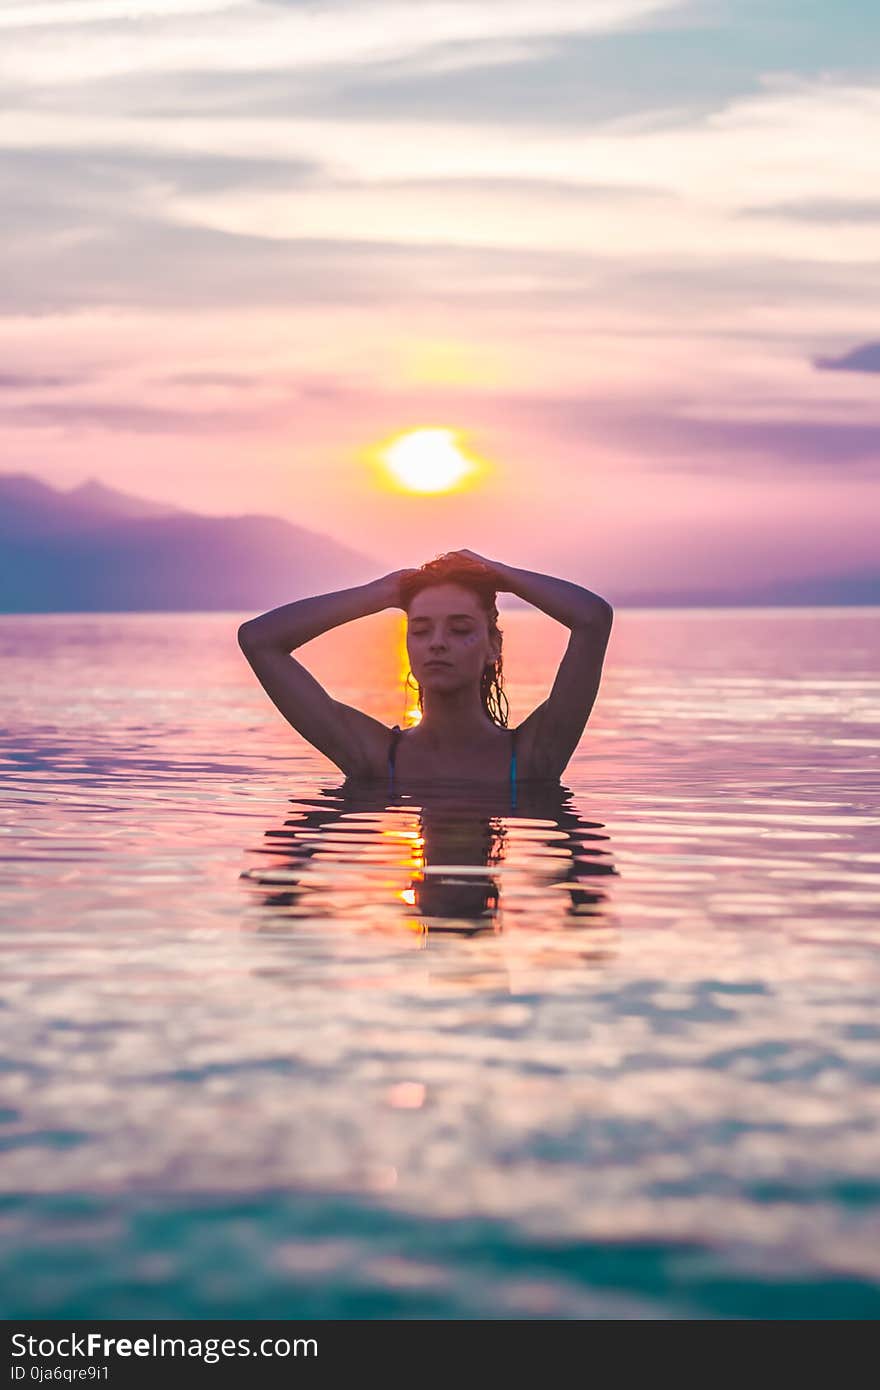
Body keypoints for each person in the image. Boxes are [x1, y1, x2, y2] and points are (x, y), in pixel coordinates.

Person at [237, 548, 613, 793]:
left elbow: (593, 619)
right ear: (408, 645)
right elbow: (258, 639)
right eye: (420, 629)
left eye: (460, 629)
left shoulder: (534, 756)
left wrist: (499, 575)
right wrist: (382, 593)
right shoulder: (374, 757)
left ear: (493, 647)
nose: (436, 642)